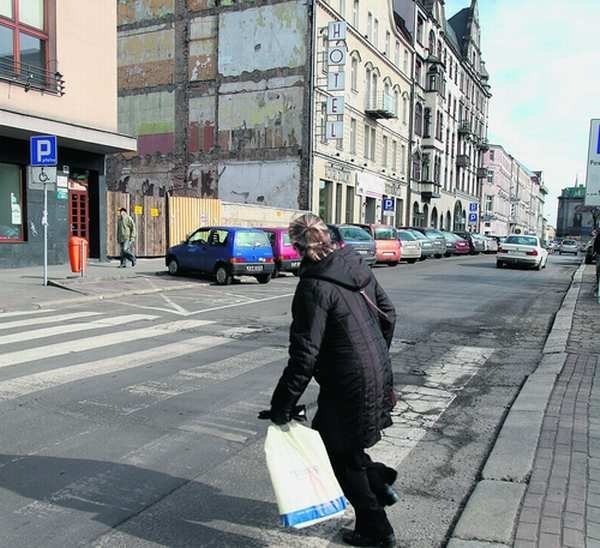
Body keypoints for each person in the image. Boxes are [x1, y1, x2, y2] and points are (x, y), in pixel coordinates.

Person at [268, 214, 398, 548]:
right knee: (343, 444)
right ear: (329, 236)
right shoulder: (353, 264)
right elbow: (389, 313)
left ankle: (377, 529)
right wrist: (375, 357)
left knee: (339, 455)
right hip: (374, 371)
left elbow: (305, 355)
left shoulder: (314, 286)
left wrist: (282, 404)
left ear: (297, 247)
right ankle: (378, 479)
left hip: (348, 383)